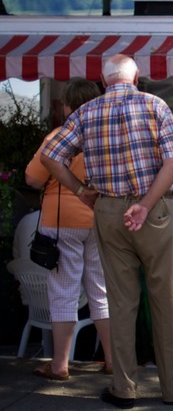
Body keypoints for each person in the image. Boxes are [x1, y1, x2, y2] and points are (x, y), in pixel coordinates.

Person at [39, 55, 173, 410]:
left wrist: (80, 190)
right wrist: (144, 203)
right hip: (153, 208)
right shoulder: (155, 105)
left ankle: (125, 389)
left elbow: (50, 155)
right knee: (167, 299)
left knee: (120, 302)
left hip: (106, 209)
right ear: (136, 77)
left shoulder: (86, 111)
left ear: (104, 80)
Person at [24, 78, 112, 381]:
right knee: (100, 291)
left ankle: (60, 364)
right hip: (99, 219)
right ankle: (113, 360)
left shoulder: (57, 137)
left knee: (64, 293)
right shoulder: (106, 137)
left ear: (67, 106)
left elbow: (33, 180)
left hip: (61, 223)